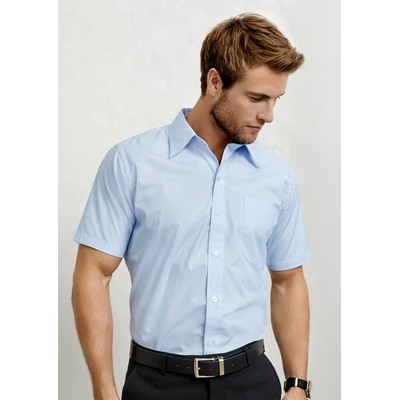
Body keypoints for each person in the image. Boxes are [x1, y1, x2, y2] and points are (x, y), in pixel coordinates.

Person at [72, 13, 312, 400]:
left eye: (275, 100)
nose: (268, 115)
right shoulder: (132, 163)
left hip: (252, 382)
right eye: (256, 98)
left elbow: (288, 280)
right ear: (215, 82)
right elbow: (92, 274)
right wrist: (104, 389)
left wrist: (298, 385)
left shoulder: (276, 177)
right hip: (157, 385)